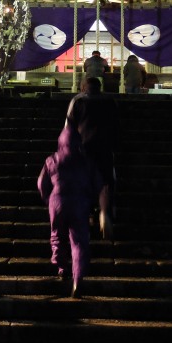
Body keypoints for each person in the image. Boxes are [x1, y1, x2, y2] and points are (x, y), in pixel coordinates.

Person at [37, 125, 101, 298]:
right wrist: (93, 202)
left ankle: (61, 266)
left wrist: (48, 199)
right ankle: (77, 279)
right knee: (79, 242)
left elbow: (41, 184)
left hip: (57, 202)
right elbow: (97, 183)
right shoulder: (86, 160)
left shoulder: (52, 160)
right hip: (80, 203)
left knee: (57, 235)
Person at [66, 75, 119, 239]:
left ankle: (87, 214)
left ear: (83, 87)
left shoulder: (78, 100)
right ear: (99, 87)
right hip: (104, 145)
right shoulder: (110, 101)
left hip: (83, 146)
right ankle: (104, 213)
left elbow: (69, 126)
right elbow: (116, 123)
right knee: (105, 181)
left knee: (83, 181)